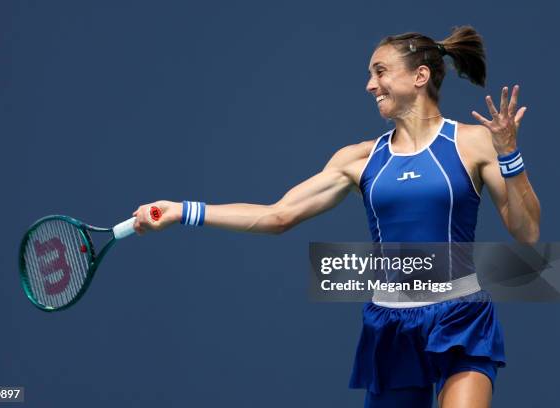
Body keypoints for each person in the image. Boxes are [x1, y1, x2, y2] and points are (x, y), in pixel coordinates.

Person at [131, 26, 540, 408]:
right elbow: (278, 215)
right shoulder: (360, 159)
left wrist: (510, 156)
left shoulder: (473, 142)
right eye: (369, 74)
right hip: (391, 324)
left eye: (380, 71)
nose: (369, 84)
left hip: (459, 317)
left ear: (420, 76)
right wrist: (182, 210)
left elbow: (527, 232)